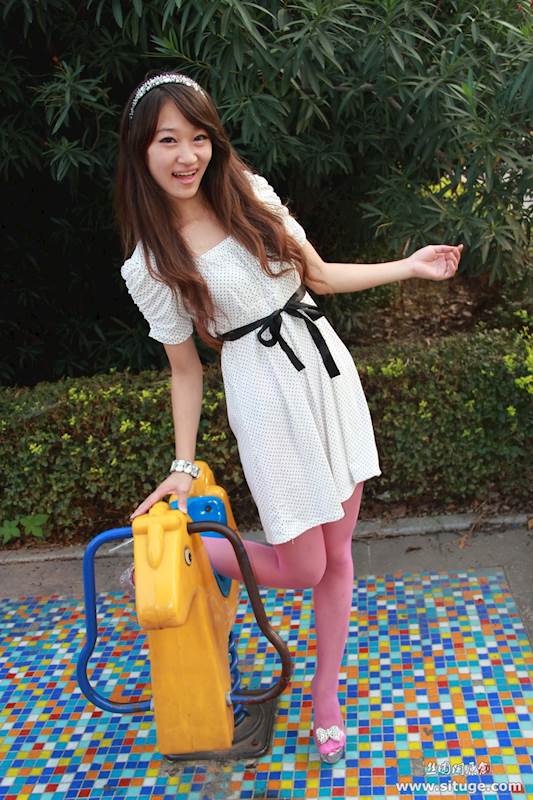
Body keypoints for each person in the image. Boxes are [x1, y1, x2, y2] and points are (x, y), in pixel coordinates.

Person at [116, 71, 462, 764]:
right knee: (303, 565)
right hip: (263, 396)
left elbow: (321, 276)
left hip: (326, 372)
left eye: (198, 138)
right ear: (140, 151)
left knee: (338, 553)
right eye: (167, 141)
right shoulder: (149, 264)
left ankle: (325, 693)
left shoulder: (250, 192)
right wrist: (182, 466)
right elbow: (185, 370)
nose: (187, 156)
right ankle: (192, 550)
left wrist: (409, 266)